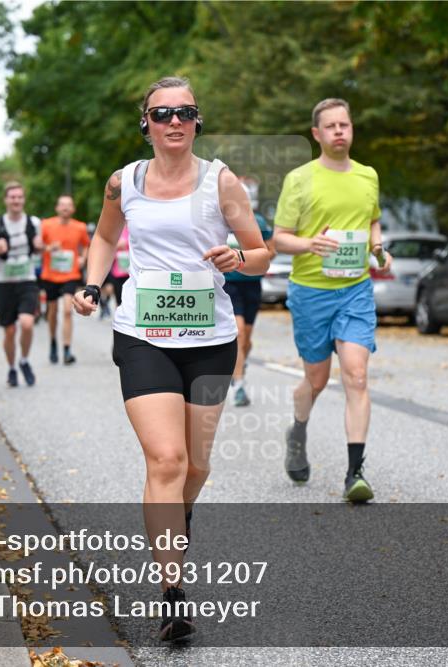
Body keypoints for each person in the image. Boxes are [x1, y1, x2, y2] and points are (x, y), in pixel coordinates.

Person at [73, 76, 269, 641]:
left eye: (185, 111)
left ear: (197, 120)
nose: (174, 121)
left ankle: (174, 524)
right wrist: (92, 283)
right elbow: (106, 238)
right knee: (166, 460)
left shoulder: (220, 181)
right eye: (162, 113)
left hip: (210, 338)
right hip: (143, 334)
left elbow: (259, 254)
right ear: (147, 123)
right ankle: (173, 594)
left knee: (196, 466)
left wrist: (238, 256)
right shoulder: (123, 182)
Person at [273, 98, 393, 503]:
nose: (340, 131)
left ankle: (354, 473)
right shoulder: (300, 179)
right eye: (331, 126)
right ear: (317, 134)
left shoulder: (368, 176)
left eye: (345, 124)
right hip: (310, 292)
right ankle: (298, 430)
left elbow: (372, 217)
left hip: (355, 289)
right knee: (317, 379)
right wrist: (310, 243)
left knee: (356, 375)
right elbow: (279, 238)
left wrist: (378, 247)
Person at [0, 181, 45, 387]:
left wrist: (39, 247)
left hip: (27, 280)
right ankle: (12, 368)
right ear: (6, 200)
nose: (16, 200)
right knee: (9, 331)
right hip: (4, 283)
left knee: (27, 323)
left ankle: (24, 360)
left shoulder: (34, 222)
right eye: (12, 197)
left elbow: (40, 250)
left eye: (19, 197)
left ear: (23, 200)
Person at [222, 176, 276, 407]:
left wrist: (250, 258)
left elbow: (270, 250)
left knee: (247, 339)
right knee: (239, 332)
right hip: (227, 284)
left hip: (251, 283)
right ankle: (239, 385)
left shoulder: (260, 221)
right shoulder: (218, 220)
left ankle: (239, 364)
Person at [39, 195, 89, 364]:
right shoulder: (46, 225)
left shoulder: (80, 227)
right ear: (57, 208)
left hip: (71, 274)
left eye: (69, 205)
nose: (65, 208)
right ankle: (53, 341)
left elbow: (87, 245)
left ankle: (67, 350)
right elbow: (38, 247)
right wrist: (48, 248)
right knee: (52, 311)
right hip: (51, 274)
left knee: (68, 310)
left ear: (73, 209)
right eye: (62, 205)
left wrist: (83, 258)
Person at [100, 226, 130, 319]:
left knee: (131, 299)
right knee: (118, 298)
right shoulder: (115, 228)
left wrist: (127, 244)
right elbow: (105, 246)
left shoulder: (134, 226)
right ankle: (120, 321)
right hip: (117, 271)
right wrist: (116, 246)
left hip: (131, 272)